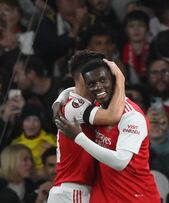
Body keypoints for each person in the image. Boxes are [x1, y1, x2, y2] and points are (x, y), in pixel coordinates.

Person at [55, 58, 160, 203]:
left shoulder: (131, 116)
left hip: (136, 196)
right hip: (105, 194)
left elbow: (120, 162)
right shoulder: (96, 107)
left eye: (103, 80)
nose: (98, 87)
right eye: (92, 84)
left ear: (115, 79)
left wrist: (79, 138)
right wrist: (60, 99)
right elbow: (76, 90)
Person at [48, 51, 125, 203]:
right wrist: (121, 79)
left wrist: (58, 99)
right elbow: (113, 115)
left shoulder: (71, 100)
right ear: (86, 77)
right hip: (73, 191)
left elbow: (70, 90)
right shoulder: (74, 107)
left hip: (72, 190)